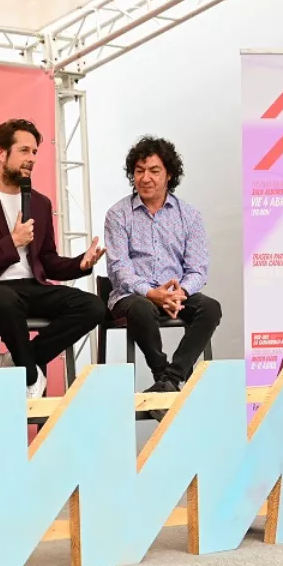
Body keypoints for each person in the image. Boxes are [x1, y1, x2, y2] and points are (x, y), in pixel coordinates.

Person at [0, 119, 105, 398]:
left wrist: (80, 264)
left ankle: (20, 361)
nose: (32, 158)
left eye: (34, 152)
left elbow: (46, 260)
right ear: (1, 153)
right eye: (24, 151)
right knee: (4, 299)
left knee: (93, 306)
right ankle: (31, 375)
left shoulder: (40, 203)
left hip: (32, 288)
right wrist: (11, 243)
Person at [103, 136, 221, 414]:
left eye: (154, 171)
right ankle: (162, 375)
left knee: (210, 308)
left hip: (175, 292)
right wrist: (151, 292)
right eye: (139, 171)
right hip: (132, 295)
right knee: (142, 308)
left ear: (169, 175)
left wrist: (180, 292)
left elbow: (198, 268)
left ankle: (169, 381)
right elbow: (119, 268)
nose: (145, 178)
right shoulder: (118, 214)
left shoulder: (188, 215)